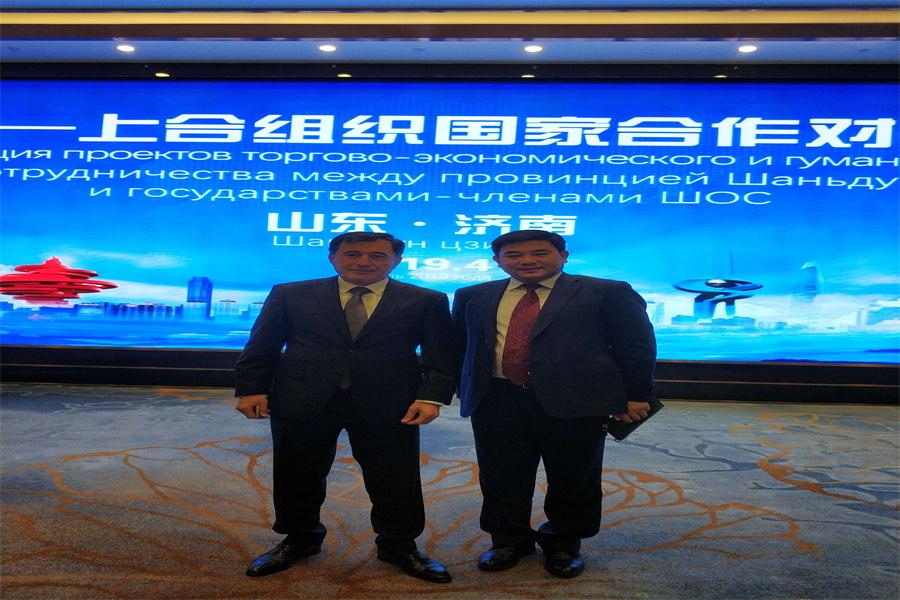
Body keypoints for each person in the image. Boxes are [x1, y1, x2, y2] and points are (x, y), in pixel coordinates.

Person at [234, 231, 457, 583]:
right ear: (333, 258)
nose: (363, 262)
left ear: (396, 261)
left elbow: (441, 355)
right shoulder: (290, 293)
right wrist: (251, 389)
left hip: (390, 400)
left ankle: (399, 544)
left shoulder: (426, 300)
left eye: (377, 256)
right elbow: (263, 343)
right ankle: (299, 538)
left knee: (395, 476)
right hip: (302, 396)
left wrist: (431, 397)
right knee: (297, 472)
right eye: (352, 254)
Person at [451, 229, 657, 579]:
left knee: (573, 476)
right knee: (500, 475)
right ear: (497, 261)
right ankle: (508, 540)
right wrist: (462, 387)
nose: (527, 260)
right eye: (514, 255)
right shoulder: (473, 295)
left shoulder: (607, 292)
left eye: (539, 252)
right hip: (497, 398)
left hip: (577, 399)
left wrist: (636, 395)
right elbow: (460, 345)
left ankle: (563, 544)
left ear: (563, 256)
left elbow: (636, 345)